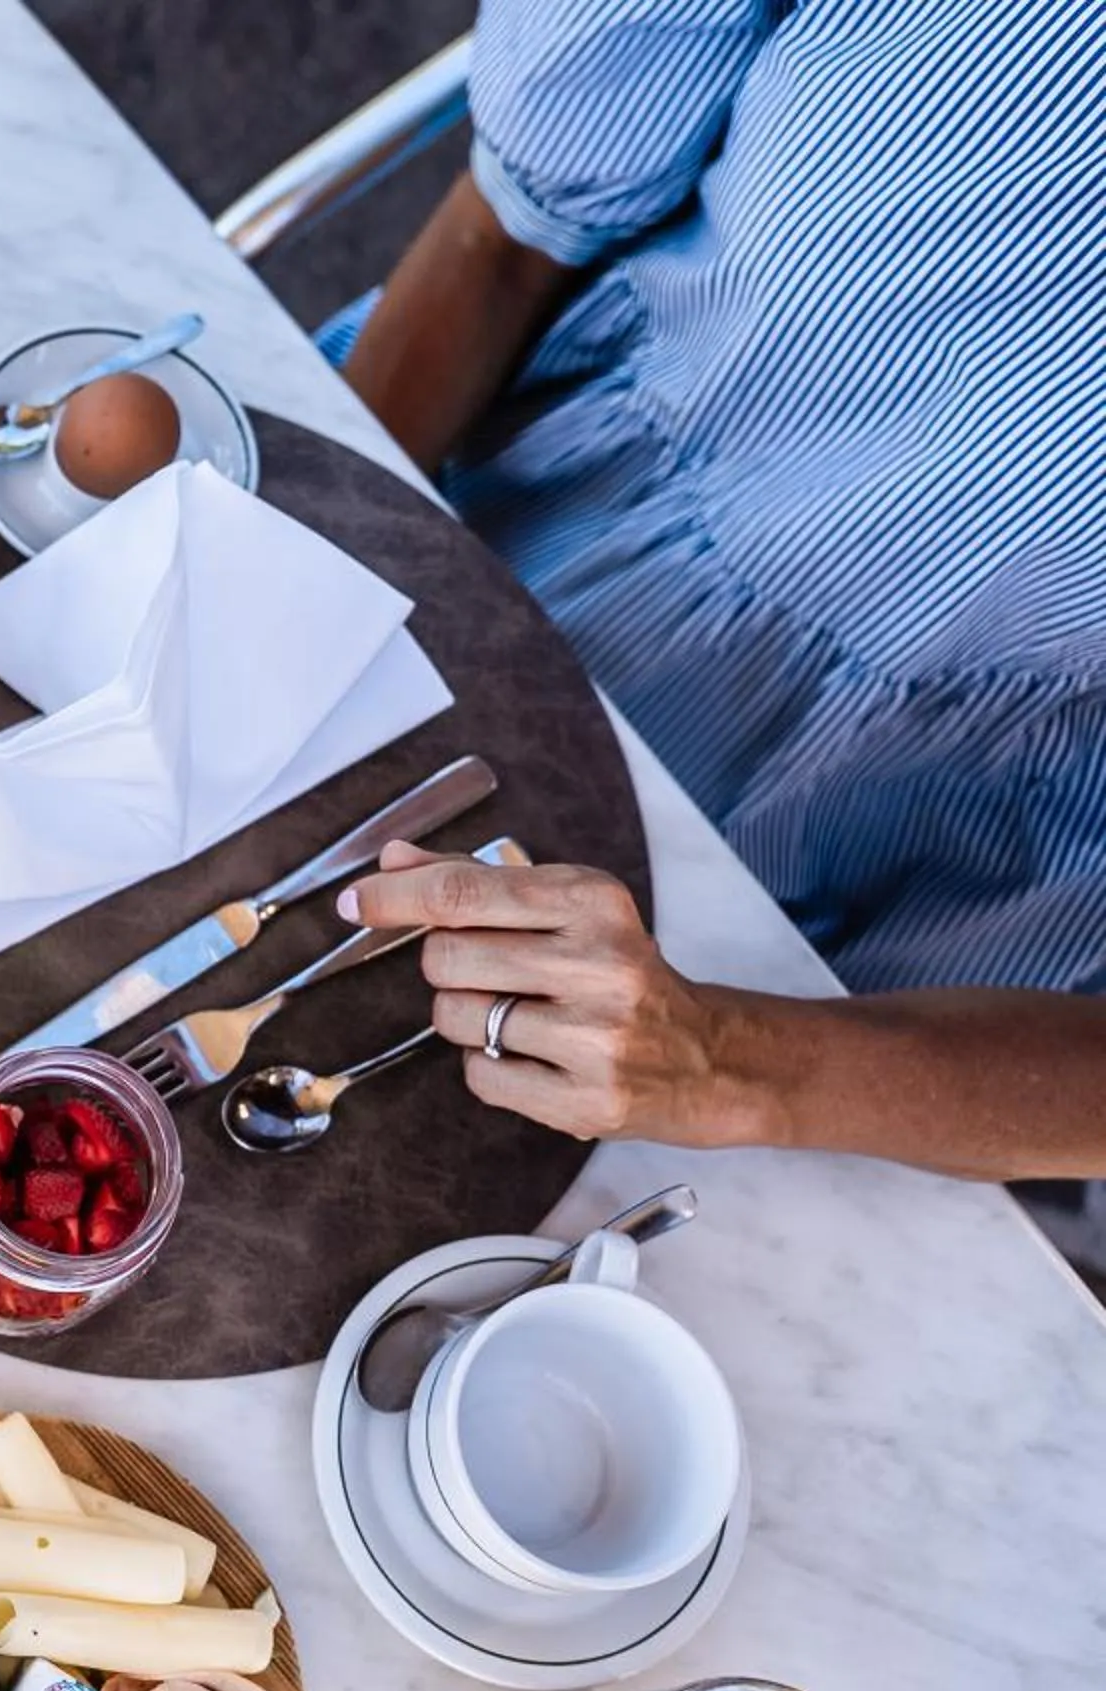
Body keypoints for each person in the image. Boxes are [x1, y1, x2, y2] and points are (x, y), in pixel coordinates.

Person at [315, 0, 1106, 1182]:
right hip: (453, 536)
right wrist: (304, 582)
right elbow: (509, 239)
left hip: (841, 987)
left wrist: (731, 1060)